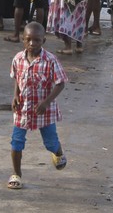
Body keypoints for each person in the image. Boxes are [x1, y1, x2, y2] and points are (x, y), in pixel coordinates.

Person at [8, 22, 68, 190]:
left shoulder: (50, 60)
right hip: (23, 109)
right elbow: (17, 79)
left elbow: (60, 83)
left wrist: (47, 101)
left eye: (37, 40)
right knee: (16, 142)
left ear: (44, 41)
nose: (32, 44)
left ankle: (58, 152)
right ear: (23, 40)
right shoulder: (18, 59)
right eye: (29, 40)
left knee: (50, 142)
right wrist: (15, 96)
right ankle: (16, 174)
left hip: (44, 111)